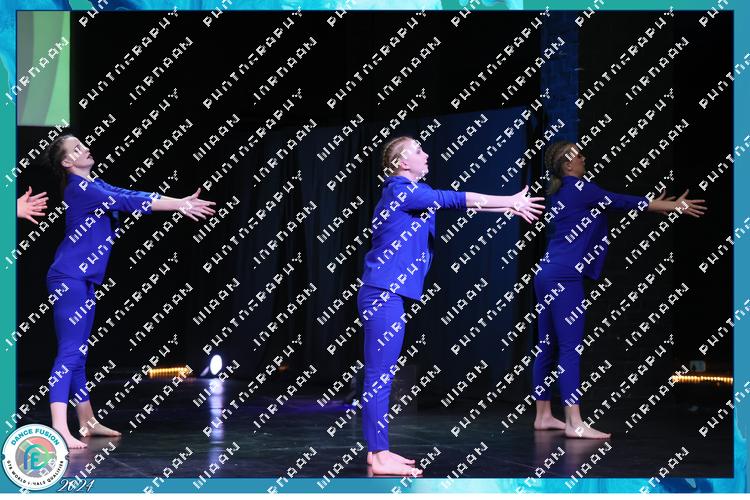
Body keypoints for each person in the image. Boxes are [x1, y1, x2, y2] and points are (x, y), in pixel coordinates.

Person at [358, 135, 545, 475]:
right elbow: (454, 199)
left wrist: (508, 207)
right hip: (383, 293)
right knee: (379, 374)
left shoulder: (413, 193)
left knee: (381, 373)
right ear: (402, 163)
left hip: (387, 292)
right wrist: (509, 200)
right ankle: (379, 453)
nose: (426, 153)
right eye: (417, 150)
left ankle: (377, 452)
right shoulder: (401, 190)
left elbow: (457, 204)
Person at [43, 134, 215, 448]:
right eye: (76, 148)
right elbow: (129, 202)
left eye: (83, 144)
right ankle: (59, 428)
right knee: (69, 353)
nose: (85, 148)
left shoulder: (94, 185)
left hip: (83, 279)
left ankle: (87, 421)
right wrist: (179, 204)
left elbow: (128, 193)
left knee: (78, 353)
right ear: (67, 162)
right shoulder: (80, 189)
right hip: (69, 278)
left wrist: (179, 201)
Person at [532, 141, 706, 439]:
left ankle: (543, 416)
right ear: (568, 165)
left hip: (546, 272)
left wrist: (656, 203)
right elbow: (621, 201)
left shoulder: (560, 192)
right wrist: (672, 206)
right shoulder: (581, 188)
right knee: (570, 349)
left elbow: (617, 203)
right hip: (565, 277)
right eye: (578, 155)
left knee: (546, 346)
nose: (584, 157)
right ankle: (574, 423)